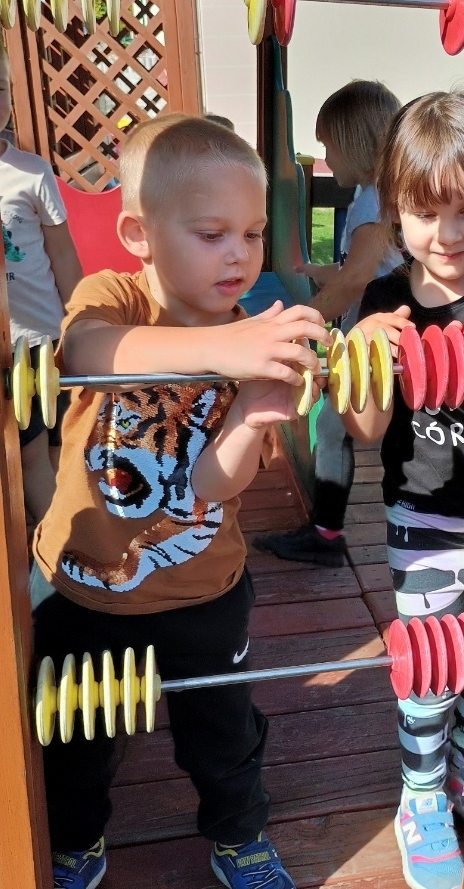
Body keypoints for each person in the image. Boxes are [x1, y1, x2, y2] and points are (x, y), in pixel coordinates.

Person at [29, 114, 331, 889]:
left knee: (222, 732)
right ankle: (74, 842)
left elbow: (210, 489)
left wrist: (253, 414)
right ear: (140, 234)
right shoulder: (114, 297)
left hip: (204, 590)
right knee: (78, 738)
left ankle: (239, 837)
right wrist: (223, 350)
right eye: (212, 234)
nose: (240, 254)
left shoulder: (246, 337)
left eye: (254, 234)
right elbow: (85, 350)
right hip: (87, 589)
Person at [340, 90, 464, 889]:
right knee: (432, 667)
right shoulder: (387, 302)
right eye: (424, 214)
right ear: (392, 208)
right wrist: (361, 355)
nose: (447, 236)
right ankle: (420, 795)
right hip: (425, 521)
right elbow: (365, 430)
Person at [257, 80, 402, 567]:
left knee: (335, 423)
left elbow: (358, 278)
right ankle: (327, 530)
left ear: (356, 143)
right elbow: (363, 267)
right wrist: (322, 271)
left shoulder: (373, 200)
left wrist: (303, 325)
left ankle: (327, 536)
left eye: (329, 147)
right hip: (380, 338)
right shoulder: (374, 194)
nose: (326, 159)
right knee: (338, 425)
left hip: (380, 342)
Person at [0, 43, 83, 524]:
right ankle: (59, 551)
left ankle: (54, 537)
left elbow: (62, 252)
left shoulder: (31, 172)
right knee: (30, 456)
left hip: (44, 337)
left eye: (0, 88)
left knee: (58, 447)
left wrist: (80, 319)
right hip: (7, 349)